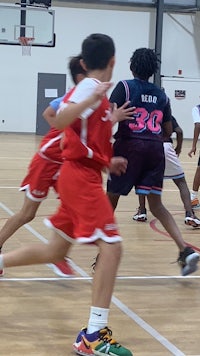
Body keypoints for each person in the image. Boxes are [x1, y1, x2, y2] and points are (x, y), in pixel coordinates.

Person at [0, 33, 134, 356]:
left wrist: (107, 156)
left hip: (81, 174)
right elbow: (58, 118)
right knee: (112, 248)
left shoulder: (96, 93)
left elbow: (86, 136)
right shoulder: (90, 88)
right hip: (79, 179)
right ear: (113, 61)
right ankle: (93, 335)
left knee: (56, 251)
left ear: (85, 62)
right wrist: (90, 101)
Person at [107, 47, 199, 277]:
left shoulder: (124, 87)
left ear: (131, 66)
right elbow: (168, 129)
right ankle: (184, 249)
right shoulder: (161, 94)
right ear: (153, 70)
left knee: (111, 200)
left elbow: (107, 116)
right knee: (156, 205)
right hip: (155, 149)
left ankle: (104, 253)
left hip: (129, 146)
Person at [0, 54, 86, 278]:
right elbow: (48, 113)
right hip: (47, 162)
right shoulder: (72, 97)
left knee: (73, 208)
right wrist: (65, 129)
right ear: (82, 75)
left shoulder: (90, 98)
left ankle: (58, 253)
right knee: (27, 214)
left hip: (64, 164)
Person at [133, 116, 200, 228]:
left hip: (148, 147)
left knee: (142, 181)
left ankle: (142, 212)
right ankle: (189, 214)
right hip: (166, 146)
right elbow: (179, 131)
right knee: (181, 182)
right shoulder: (164, 113)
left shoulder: (143, 115)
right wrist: (178, 147)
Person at [188, 104, 200, 209]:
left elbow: (197, 125)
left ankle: (193, 198)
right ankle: (193, 199)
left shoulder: (197, 108)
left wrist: (194, 146)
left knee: (199, 170)